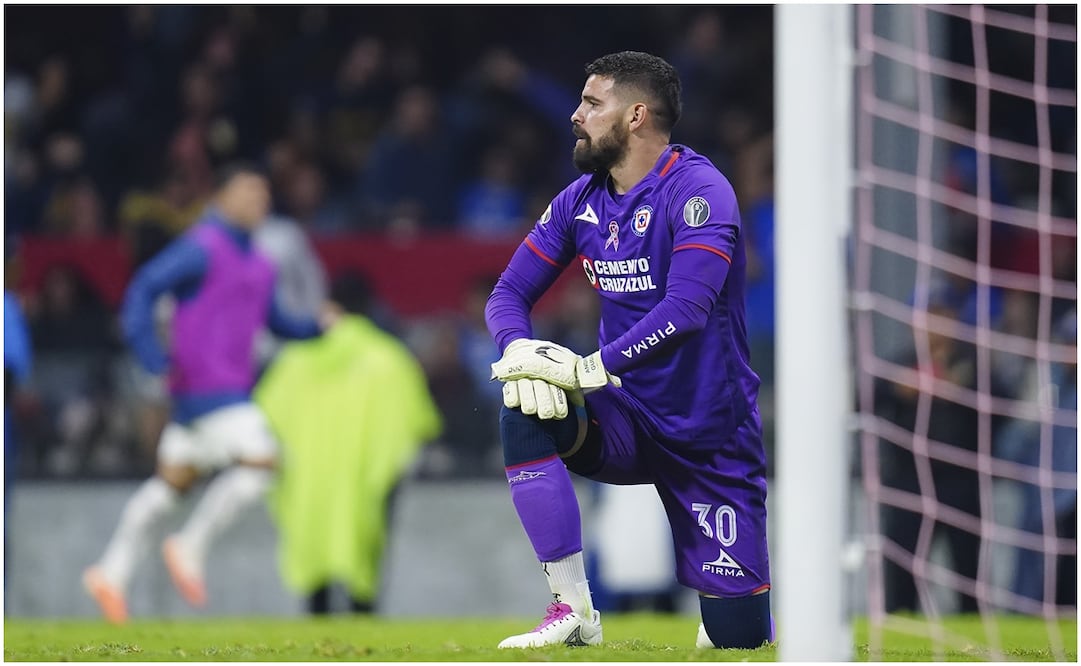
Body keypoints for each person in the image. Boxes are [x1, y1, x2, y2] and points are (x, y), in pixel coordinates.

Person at [485, 51, 772, 650]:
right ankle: (573, 610)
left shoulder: (699, 191)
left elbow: (687, 310)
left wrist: (589, 368)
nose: (576, 115)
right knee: (527, 405)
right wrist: (520, 355)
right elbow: (508, 294)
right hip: (626, 416)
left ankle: (730, 613)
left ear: (637, 115)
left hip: (709, 431)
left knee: (738, 641)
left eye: (593, 103)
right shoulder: (579, 201)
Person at [82, 163, 339, 624]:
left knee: (170, 487)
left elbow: (276, 321)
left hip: (222, 391)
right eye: (247, 193)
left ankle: (110, 572)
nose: (257, 202)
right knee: (264, 464)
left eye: (263, 194)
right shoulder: (202, 247)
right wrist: (150, 356)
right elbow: (143, 288)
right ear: (220, 199)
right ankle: (189, 545)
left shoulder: (260, 263)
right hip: (210, 389)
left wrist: (315, 327)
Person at [255, 272, 442, 614]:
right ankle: (363, 619)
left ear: (329, 305)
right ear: (371, 308)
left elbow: (264, 419)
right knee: (366, 559)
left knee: (313, 558)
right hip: (366, 484)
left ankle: (317, 622)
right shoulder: (390, 359)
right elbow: (418, 423)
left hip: (307, 483)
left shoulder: (295, 360)